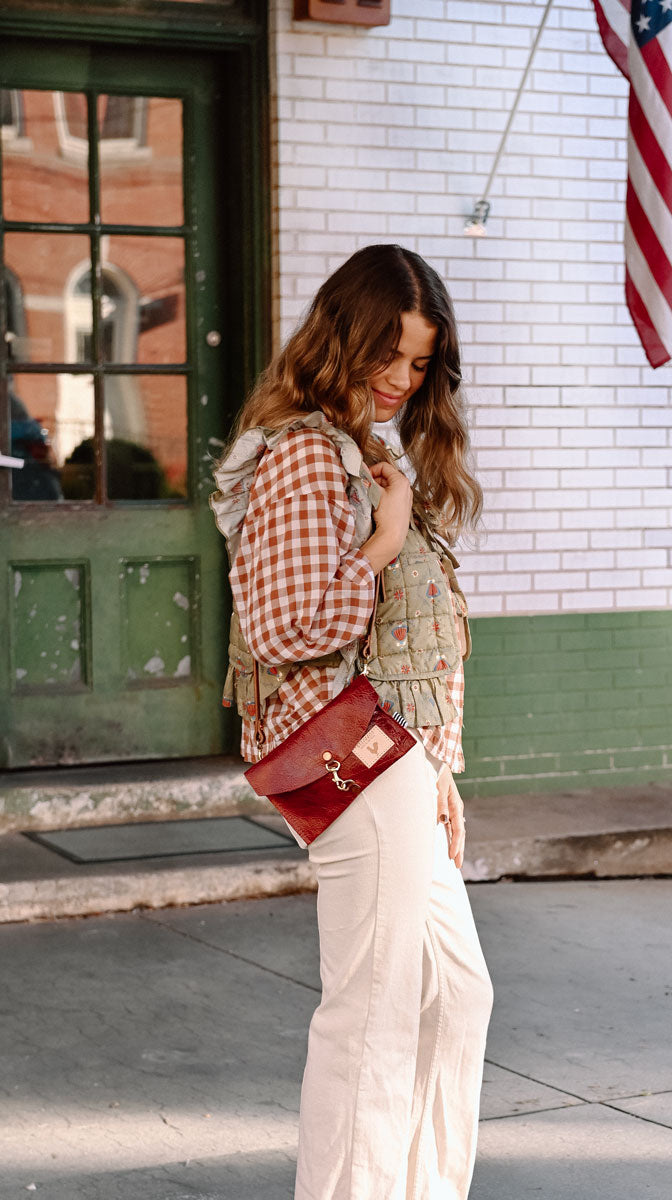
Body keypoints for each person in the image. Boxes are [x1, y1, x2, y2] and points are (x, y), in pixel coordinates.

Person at [211, 244, 493, 1200]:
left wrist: (442, 769)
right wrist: (379, 543)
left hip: (402, 758)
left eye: (420, 364)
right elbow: (285, 626)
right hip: (352, 755)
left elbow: (415, 649)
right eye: (389, 355)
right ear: (345, 335)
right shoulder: (300, 454)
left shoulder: (372, 451)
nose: (402, 380)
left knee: (456, 995)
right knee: (372, 1010)